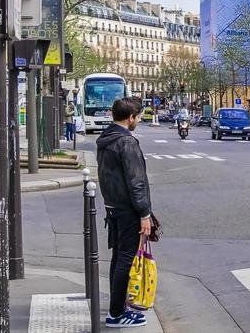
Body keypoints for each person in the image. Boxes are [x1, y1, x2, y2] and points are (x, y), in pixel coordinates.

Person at [96, 97, 154, 327]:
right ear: (130, 118)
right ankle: (116, 314)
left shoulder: (106, 139)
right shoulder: (127, 143)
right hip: (128, 209)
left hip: (113, 207)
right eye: (137, 117)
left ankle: (117, 308)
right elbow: (136, 181)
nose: (137, 121)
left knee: (119, 257)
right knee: (126, 259)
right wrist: (144, 213)